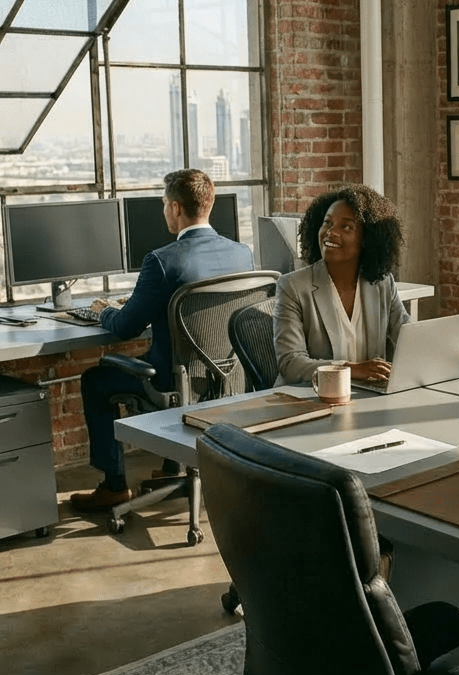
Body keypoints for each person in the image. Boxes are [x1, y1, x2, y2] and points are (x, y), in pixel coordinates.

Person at [71, 170, 254, 510]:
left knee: (95, 380)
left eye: (164, 204)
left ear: (175, 208)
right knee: (171, 355)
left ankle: (114, 486)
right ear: (209, 203)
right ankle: (172, 468)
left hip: (173, 382)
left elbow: (125, 327)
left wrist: (103, 310)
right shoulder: (242, 255)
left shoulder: (162, 261)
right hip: (228, 378)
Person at [274, 184, 410, 386]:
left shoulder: (382, 284)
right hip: (310, 395)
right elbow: (291, 364)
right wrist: (350, 369)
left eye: (346, 227)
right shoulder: (293, 286)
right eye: (327, 223)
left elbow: (409, 339)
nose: (331, 232)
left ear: (367, 238)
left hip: (368, 395)